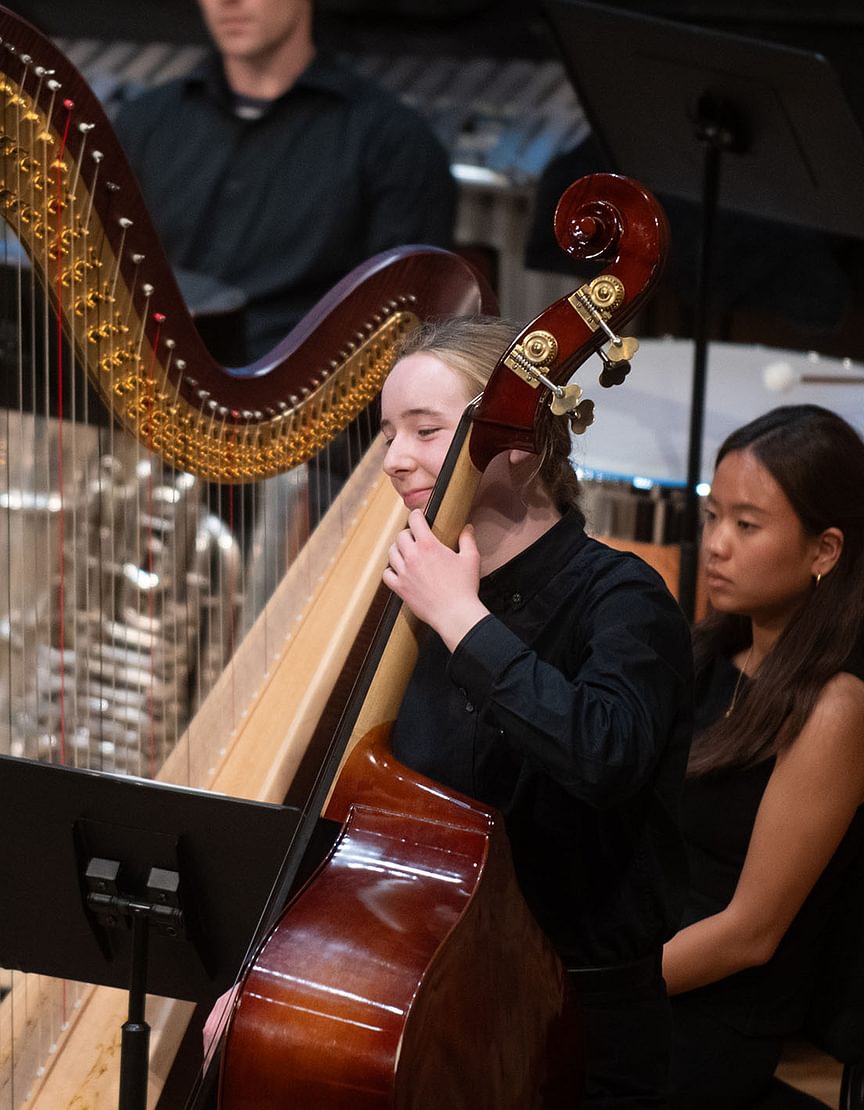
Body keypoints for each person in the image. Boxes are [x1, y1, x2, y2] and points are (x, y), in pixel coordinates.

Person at [379, 314, 694, 1107]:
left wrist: (462, 622)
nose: (393, 459)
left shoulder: (623, 599)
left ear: (515, 438)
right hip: (430, 1008)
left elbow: (604, 754)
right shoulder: (413, 590)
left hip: (575, 1035)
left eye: (424, 430)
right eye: (387, 433)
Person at [663, 404, 864, 1109]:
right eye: (712, 514)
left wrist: (592, 988)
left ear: (824, 551)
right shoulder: (706, 654)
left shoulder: (836, 706)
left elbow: (750, 933)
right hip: (644, 976)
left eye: (745, 525)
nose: (716, 544)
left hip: (707, 1024)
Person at [113, 0, 458, 364]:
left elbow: (414, 326)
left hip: (315, 404)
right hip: (154, 388)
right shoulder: (145, 122)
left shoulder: (395, 141)